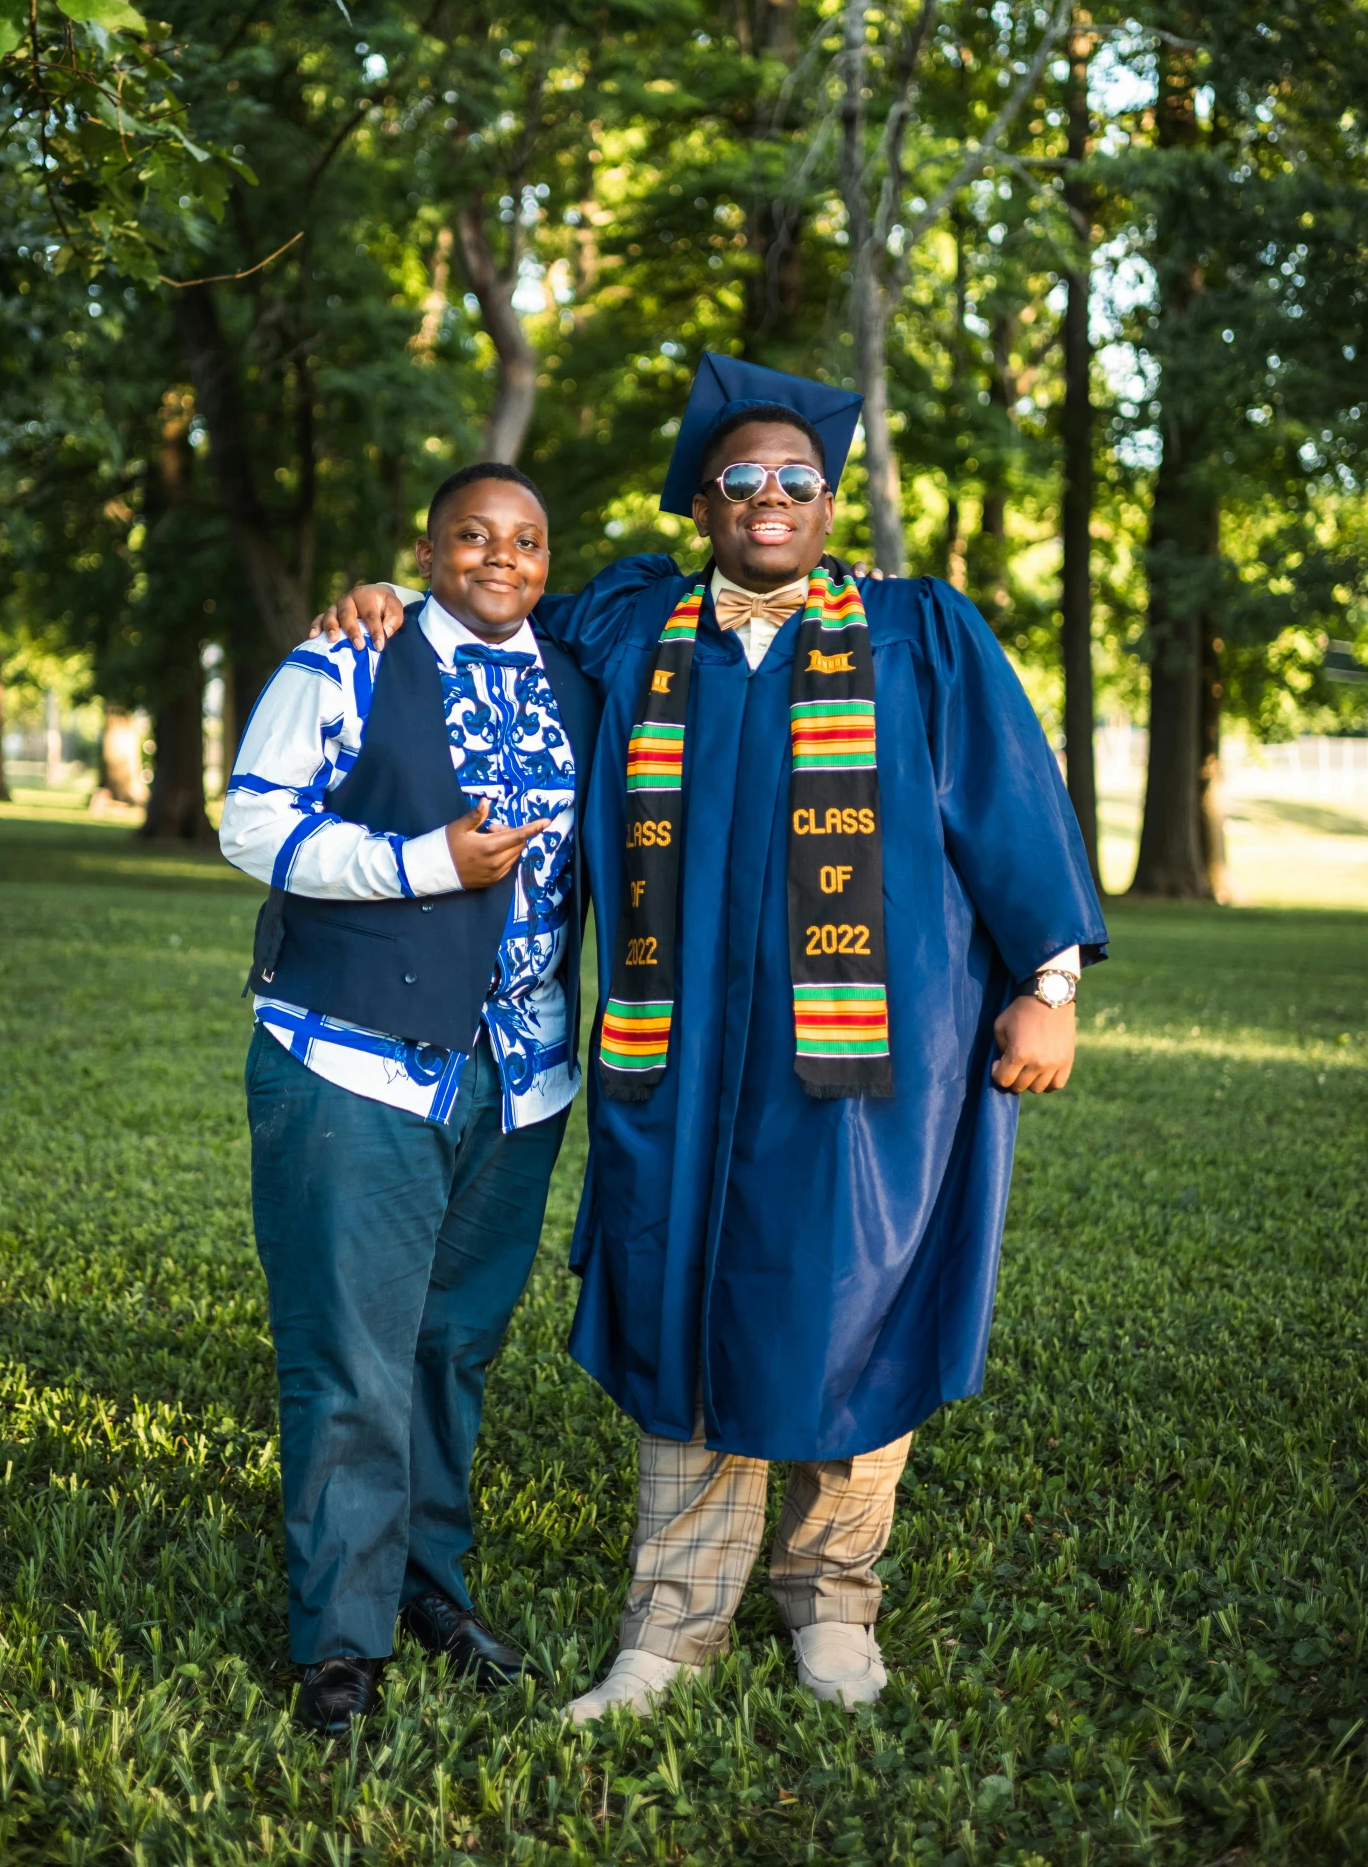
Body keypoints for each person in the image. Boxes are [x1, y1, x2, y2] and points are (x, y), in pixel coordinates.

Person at [320, 355, 1105, 1722]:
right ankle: (665, 1634)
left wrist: (1047, 981)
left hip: (870, 1067)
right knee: (687, 1311)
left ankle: (832, 1610)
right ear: (701, 495)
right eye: (740, 475)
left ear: (826, 497)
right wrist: (395, 597)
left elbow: (1007, 801)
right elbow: (489, 609)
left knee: (847, 1310)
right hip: (676, 1061)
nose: (770, 495)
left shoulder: (916, 631)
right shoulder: (630, 628)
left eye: (797, 478)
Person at [220, 461, 598, 1736]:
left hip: (525, 1073)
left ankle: (430, 1585)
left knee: (452, 1352)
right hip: (354, 1059)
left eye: (529, 541)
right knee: (350, 1360)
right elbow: (252, 826)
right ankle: (341, 1640)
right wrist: (418, 862)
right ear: (427, 550)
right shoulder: (345, 660)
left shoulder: (581, 680)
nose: (504, 557)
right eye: (473, 536)